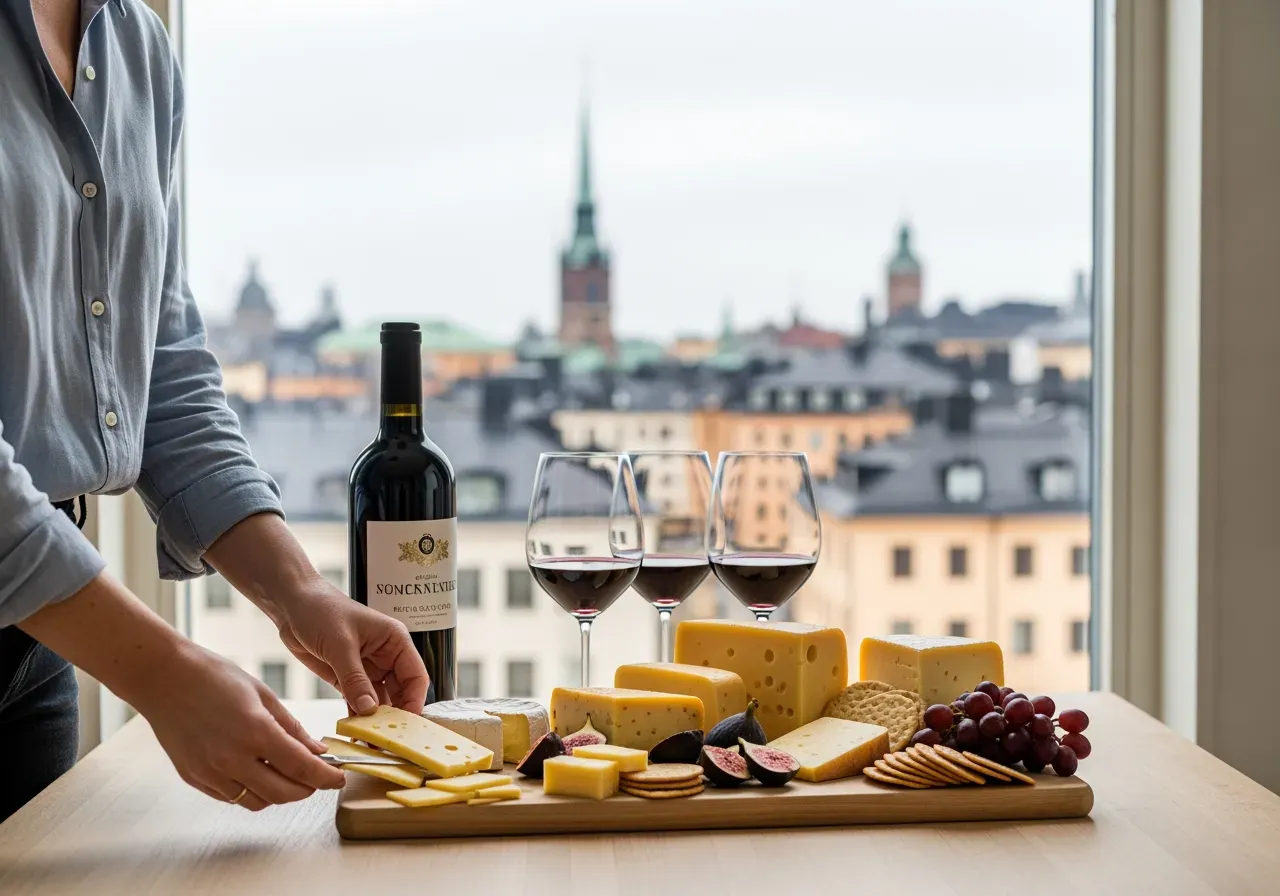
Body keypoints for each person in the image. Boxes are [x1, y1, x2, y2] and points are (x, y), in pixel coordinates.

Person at [0, 0, 429, 822]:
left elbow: (157, 361)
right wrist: (160, 671)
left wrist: (298, 591)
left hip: (36, 640)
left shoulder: (136, 44)